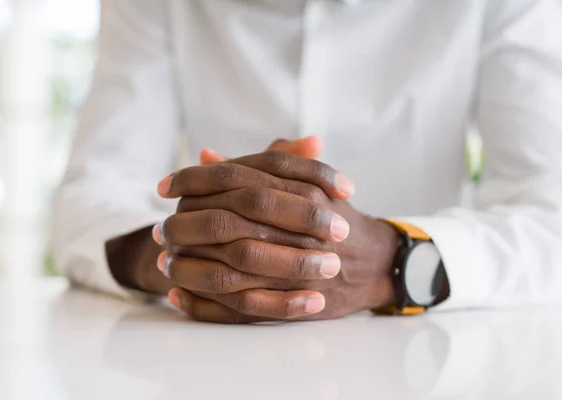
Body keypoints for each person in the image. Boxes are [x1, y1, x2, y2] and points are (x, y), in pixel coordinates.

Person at [52, 0, 562, 323]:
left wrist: (393, 260)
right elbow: (89, 199)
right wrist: (189, 256)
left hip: (428, 353)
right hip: (210, 357)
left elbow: (550, 213)